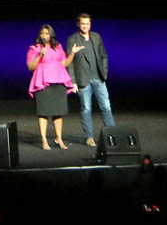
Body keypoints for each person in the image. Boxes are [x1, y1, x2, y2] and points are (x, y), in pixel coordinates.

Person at [66, 13, 115, 146]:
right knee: (86, 109)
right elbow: (69, 62)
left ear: (90, 24)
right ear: (78, 24)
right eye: (83, 24)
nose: (85, 26)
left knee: (106, 107)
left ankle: (112, 136)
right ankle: (89, 137)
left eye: (87, 23)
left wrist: (104, 73)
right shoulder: (72, 39)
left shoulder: (96, 36)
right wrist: (73, 82)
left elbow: (103, 55)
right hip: (83, 79)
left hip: (98, 78)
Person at [27, 25, 77, 149]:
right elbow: (30, 67)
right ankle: (44, 139)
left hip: (58, 81)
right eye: (42, 33)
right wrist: (40, 55)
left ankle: (59, 138)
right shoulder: (35, 48)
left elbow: (64, 63)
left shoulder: (58, 47)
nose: (44, 35)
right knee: (43, 112)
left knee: (58, 112)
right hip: (43, 83)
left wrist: (72, 53)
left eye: (47, 33)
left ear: (51, 35)